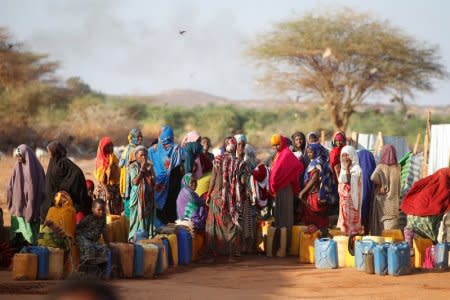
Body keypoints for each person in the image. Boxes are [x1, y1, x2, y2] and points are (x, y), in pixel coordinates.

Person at [205, 137, 240, 261]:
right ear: (235, 147)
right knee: (230, 225)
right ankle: (231, 255)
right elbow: (239, 183)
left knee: (213, 225)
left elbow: (213, 179)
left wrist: (209, 195)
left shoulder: (217, 160)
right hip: (230, 198)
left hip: (217, 197)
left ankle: (212, 256)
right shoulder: (237, 162)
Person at [7, 144, 45, 246]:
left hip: (32, 208)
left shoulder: (36, 168)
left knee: (30, 236)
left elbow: (38, 189)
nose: (18, 158)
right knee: (17, 233)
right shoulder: (17, 166)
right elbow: (10, 185)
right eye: (17, 156)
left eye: (20, 156)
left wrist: (31, 206)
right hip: (18, 208)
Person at [269, 134, 303, 246]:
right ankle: (281, 244)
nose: (276, 147)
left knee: (286, 216)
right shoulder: (279, 155)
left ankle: (286, 244)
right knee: (279, 215)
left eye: (277, 144)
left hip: (285, 189)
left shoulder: (286, 154)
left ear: (282, 142)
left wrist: (274, 185)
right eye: (274, 145)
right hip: (279, 189)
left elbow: (296, 167)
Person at [44, 141, 89, 224]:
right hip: (55, 205)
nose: (48, 154)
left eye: (49, 151)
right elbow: (50, 184)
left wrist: (64, 192)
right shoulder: (53, 163)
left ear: (55, 151)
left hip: (69, 206)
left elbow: (77, 174)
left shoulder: (65, 165)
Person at [148, 126, 184, 224]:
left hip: (158, 185)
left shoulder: (152, 150)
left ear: (159, 135)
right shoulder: (177, 150)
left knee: (159, 213)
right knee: (170, 213)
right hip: (173, 186)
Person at [299, 143, 336, 229]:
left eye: (311, 152)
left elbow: (314, 179)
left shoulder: (316, 163)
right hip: (319, 194)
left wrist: (302, 192)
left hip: (315, 195)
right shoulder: (321, 161)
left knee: (315, 219)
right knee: (320, 219)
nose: (309, 155)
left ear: (317, 152)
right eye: (308, 153)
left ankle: (318, 237)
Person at [370, 144, 401, 235]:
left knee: (380, 224)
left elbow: (372, 177)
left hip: (382, 201)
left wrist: (381, 184)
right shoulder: (398, 167)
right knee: (391, 227)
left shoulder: (381, 167)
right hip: (394, 202)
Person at [127, 146, 156, 241]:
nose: (144, 157)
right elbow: (135, 181)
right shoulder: (133, 167)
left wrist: (151, 171)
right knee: (136, 219)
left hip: (147, 197)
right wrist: (142, 169)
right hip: (137, 198)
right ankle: (134, 238)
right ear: (136, 157)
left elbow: (154, 181)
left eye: (145, 155)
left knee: (146, 219)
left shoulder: (149, 166)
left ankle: (146, 236)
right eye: (141, 155)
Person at [235, 134, 256, 254]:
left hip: (246, 196)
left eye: (243, 144)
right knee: (238, 222)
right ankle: (238, 247)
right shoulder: (232, 161)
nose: (241, 147)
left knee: (247, 221)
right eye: (239, 144)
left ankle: (247, 248)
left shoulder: (249, 162)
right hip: (236, 196)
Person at [337, 145, 363, 236]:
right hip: (344, 203)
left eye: (347, 155)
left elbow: (349, 181)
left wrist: (348, 168)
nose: (345, 158)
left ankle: (352, 243)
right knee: (344, 226)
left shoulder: (356, 169)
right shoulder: (343, 169)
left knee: (351, 225)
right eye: (343, 155)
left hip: (352, 203)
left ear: (352, 155)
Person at [76, 199, 110, 265]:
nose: (101, 212)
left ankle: (99, 265)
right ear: (93, 209)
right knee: (89, 248)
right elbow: (78, 230)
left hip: (93, 241)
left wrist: (108, 243)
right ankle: (85, 265)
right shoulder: (88, 219)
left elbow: (104, 231)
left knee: (105, 248)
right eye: (99, 210)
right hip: (83, 238)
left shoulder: (103, 218)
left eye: (103, 210)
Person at [94, 137, 122, 215]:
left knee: (116, 215)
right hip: (106, 191)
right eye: (109, 146)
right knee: (108, 214)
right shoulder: (102, 162)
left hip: (114, 189)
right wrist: (107, 192)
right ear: (104, 148)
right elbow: (102, 180)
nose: (112, 147)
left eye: (112, 145)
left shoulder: (112, 157)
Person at [119, 128, 143, 218]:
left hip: (135, 179)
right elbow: (122, 164)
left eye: (141, 137)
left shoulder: (134, 148)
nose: (140, 139)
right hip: (130, 181)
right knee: (130, 205)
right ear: (132, 137)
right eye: (138, 137)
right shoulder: (131, 150)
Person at [358, 149, 376, 234]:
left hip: (358, 194)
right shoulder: (372, 169)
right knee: (368, 212)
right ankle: (366, 232)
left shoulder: (357, 169)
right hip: (370, 192)